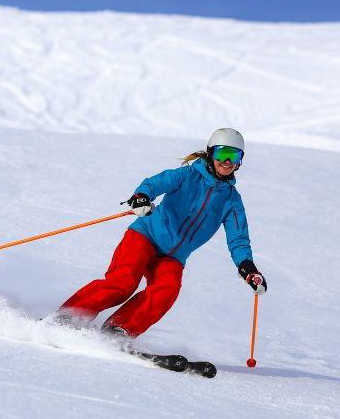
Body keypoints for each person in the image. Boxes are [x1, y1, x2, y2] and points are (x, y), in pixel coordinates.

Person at [55, 128, 267, 338]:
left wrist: (247, 267)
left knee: (167, 291)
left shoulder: (232, 201)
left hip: (173, 257)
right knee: (122, 283)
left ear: (240, 160)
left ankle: (118, 330)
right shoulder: (187, 175)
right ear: (211, 153)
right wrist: (142, 196)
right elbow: (155, 183)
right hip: (145, 236)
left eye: (234, 155)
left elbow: (238, 238)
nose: (227, 161)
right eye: (222, 153)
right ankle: (69, 317)